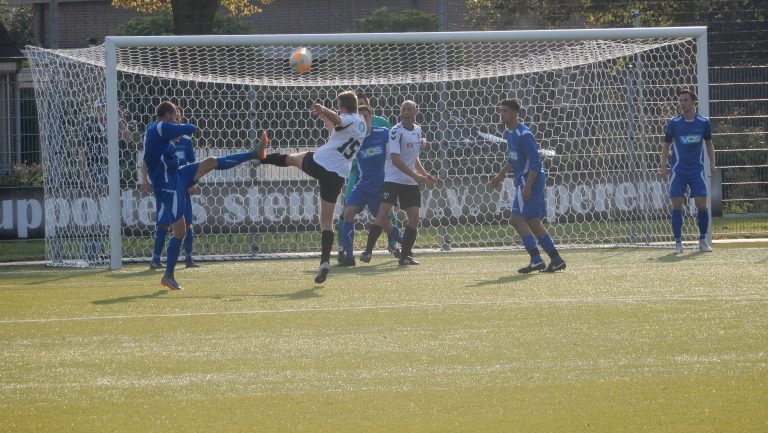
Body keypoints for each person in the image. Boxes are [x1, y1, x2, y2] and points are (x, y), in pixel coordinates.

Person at [141, 101, 267, 290]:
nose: (177, 121)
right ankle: (167, 275)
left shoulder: (159, 133)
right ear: (167, 116)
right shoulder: (158, 128)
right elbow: (190, 128)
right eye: (175, 117)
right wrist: (187, 128)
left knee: (210, 162)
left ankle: (254, 154)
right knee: (180, 232)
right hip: (168, 187)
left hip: (177, 176)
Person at [259, 90, 366, 284]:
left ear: (342, 107)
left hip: (322, 163)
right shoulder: (361, 123)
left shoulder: (346, 118)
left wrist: (324, 109)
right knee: (326, 222)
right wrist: (325, 116)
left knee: (292, 158)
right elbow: (336, 131)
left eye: (337, 106)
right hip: (338, 175)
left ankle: (259, 157)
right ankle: (324, 263)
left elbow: (339, 121)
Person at [488, 98, 566, 273]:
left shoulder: (525, 134)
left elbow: (536, 162)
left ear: (515, 113)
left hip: (531, 180)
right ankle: (541, 259)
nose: (502, 114)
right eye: (500, 111)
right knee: (519, 220)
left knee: (530, 220)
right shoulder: (509, 134)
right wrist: (499, 176)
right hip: (523, 180)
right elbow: (513, 159)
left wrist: (528, 186)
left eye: (505, 111)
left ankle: (551, 258)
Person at [361, 100, 436, 266]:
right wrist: (416, 176)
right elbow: (395, 159)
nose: (406, 112)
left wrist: (424, 174)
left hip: (409, 181)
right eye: (404, 109)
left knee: (414, 219)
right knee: (382, 215)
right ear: (400, 113)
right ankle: (367, 251)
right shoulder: (396, 132)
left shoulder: (417, 130)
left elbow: (414, 158)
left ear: (416, 111)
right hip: (393, 179)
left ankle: (405, 256)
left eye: (409, 109)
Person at [335, 90, 402, 262]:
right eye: (360, 116)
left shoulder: (383, 133)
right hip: (362, 185)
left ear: (370, 117)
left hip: (379, 188)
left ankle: (402, 244)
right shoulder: (355, 137)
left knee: (386, 222)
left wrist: (420, 142)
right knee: (347, 213)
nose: (363, 119)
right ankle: (348, 255)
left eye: (365, 116)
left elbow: (399, 142)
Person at [660, 88, 716, 253]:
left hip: (696, 171)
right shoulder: (674, 123)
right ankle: (678, 243)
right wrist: (663, 166)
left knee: (701, 204)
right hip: (678, 171)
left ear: (693, 102)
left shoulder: (703, 122)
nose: (682, 103)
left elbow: (709, 143)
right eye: (680, 100)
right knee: (677, 203)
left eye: (685, 100)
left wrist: (712, 163)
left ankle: (702, 240)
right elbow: (666, 145)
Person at [149, 110, 200, 269]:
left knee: (188, 223)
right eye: (172, 120)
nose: (175, 123)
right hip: (166, 187)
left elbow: (193, 163)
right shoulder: (160, 140)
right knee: (164, 223)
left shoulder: (186, 140)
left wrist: (193, 182)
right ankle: (156, 259)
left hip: (183, 186)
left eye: (177, 119)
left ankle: (188, 258)